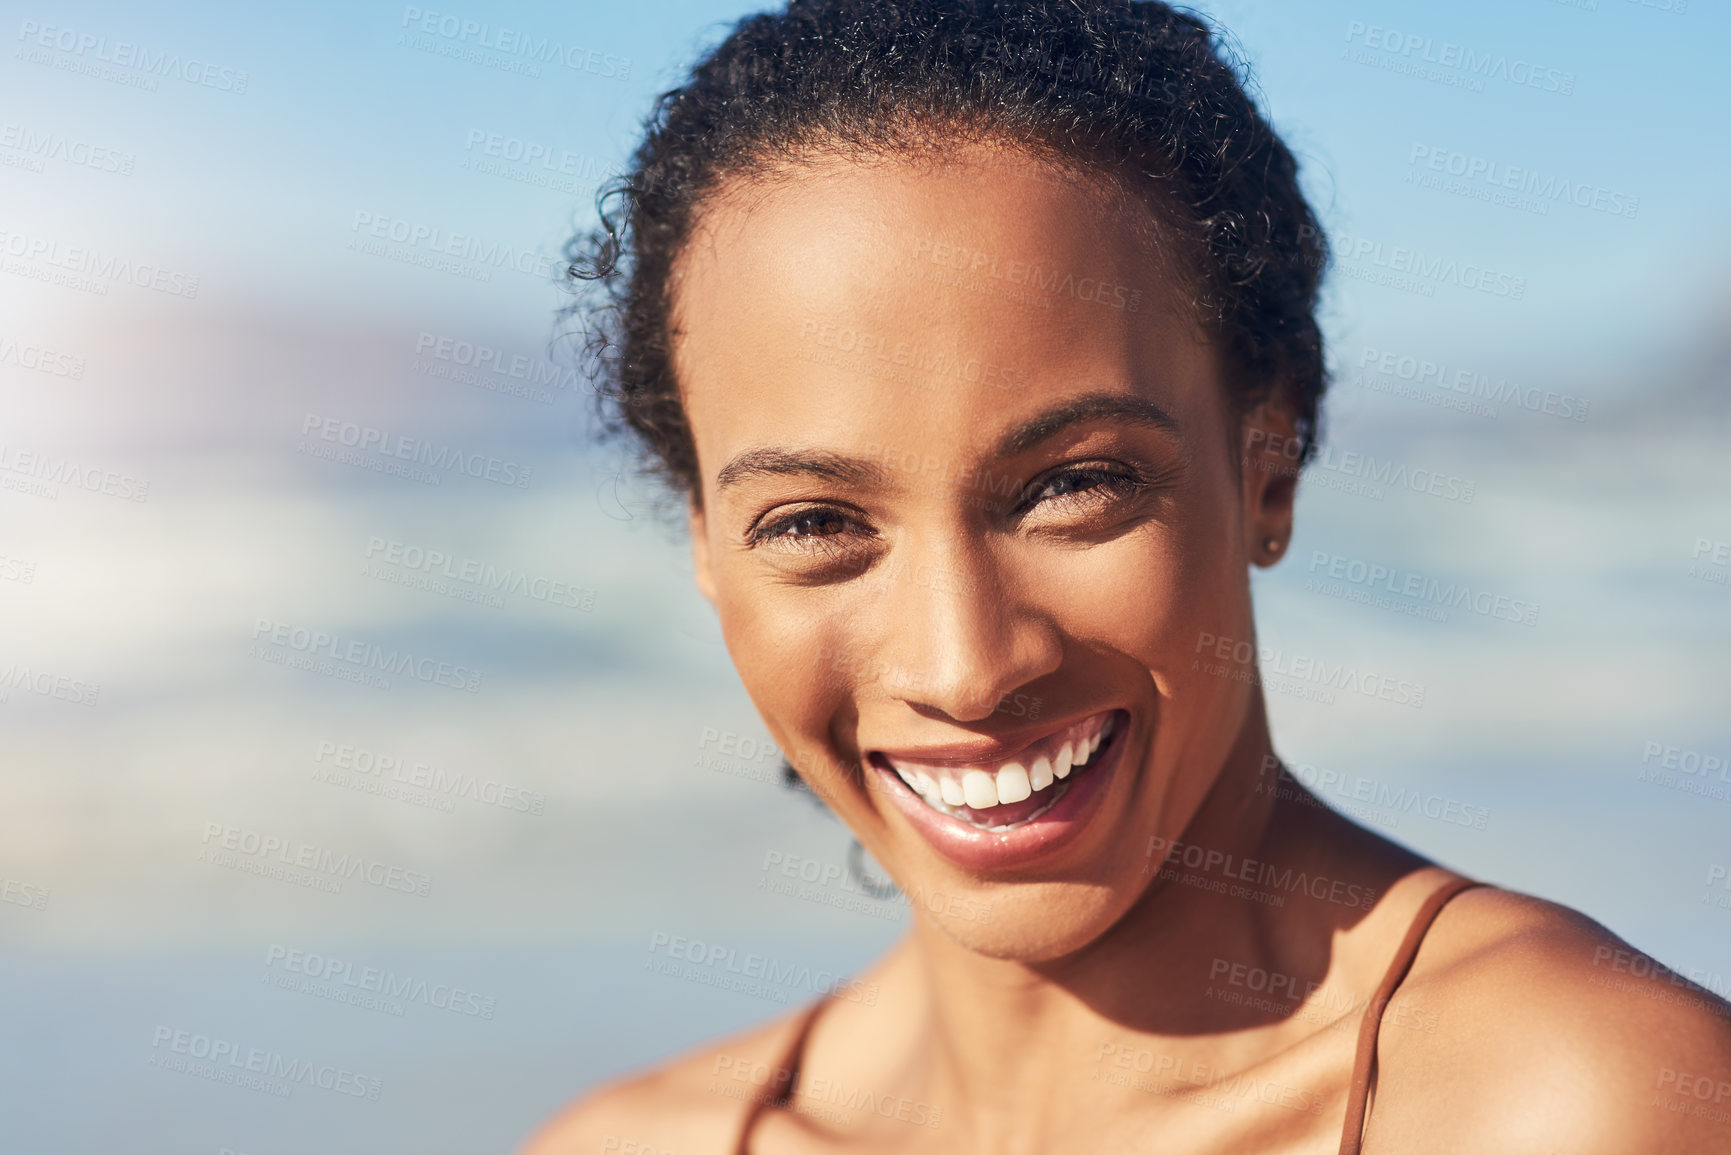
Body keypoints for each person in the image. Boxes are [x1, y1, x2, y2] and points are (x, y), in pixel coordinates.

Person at [526, 1, 1731, 1150]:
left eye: (1070, 486)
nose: (966, 667)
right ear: (700, 540)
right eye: (814, 521)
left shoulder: (1596, 1105)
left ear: (1269, 463)